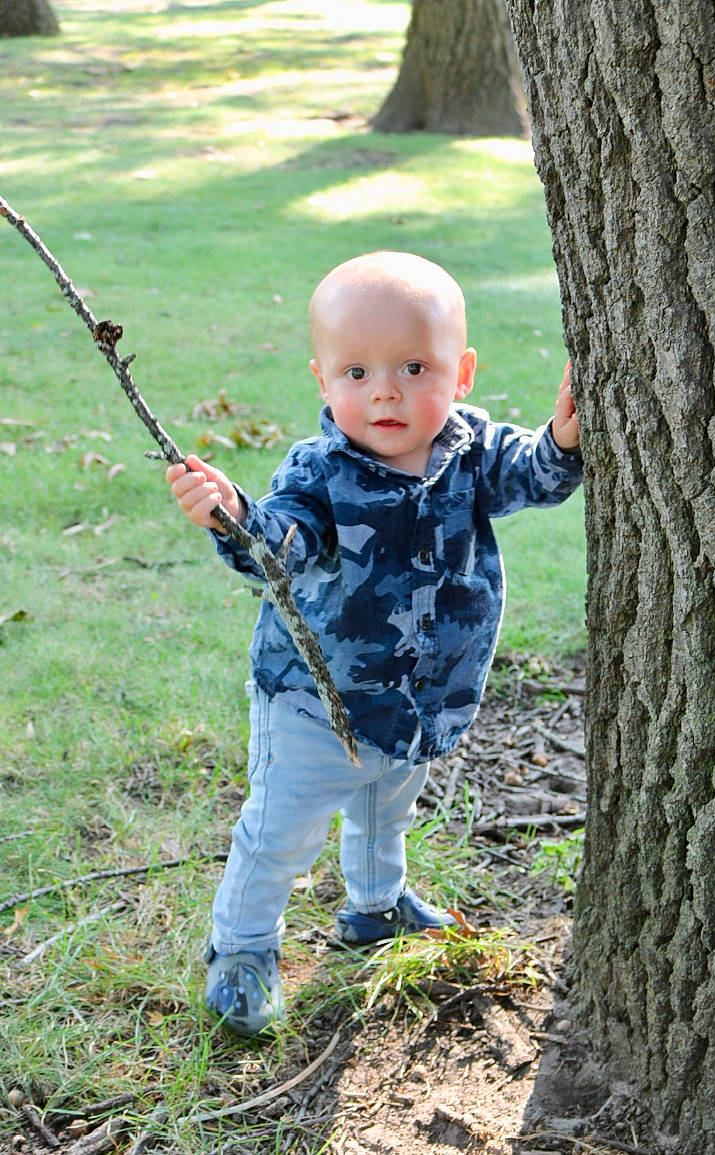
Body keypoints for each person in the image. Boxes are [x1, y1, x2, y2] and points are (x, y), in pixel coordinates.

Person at [167, 251, 582, 1035]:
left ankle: (375, 905)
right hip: (315, 701)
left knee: (386, 807)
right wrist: (233, 515)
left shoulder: (473, 450)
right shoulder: (321, 471)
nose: (384, 390)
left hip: (420, 699)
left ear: (462, 373)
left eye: (413, 367)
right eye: (356, 372)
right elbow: (281, 546)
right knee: (281, 831)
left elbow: (536, 475)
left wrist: (563, 436)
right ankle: (242, 948)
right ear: (323, 381)